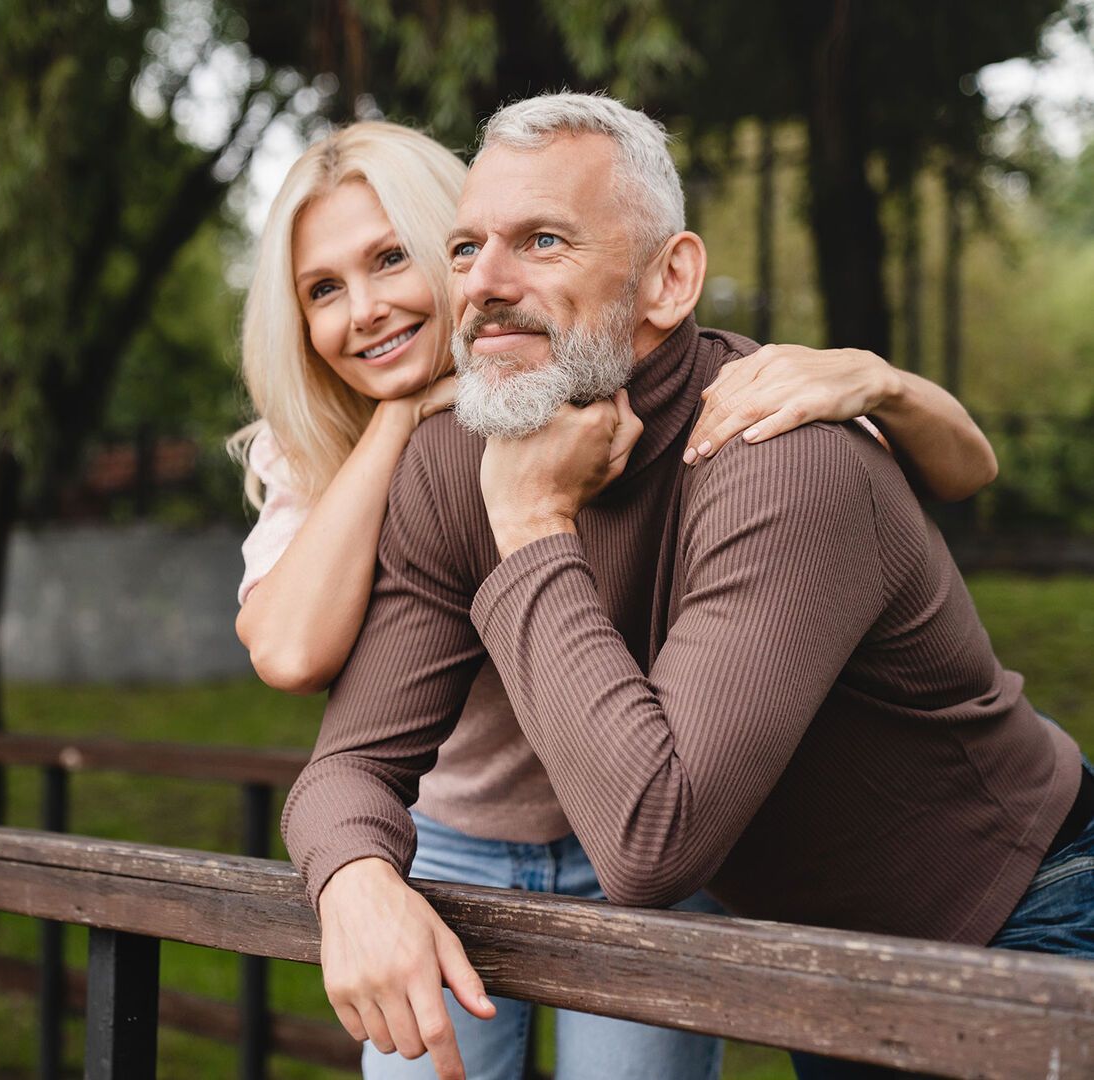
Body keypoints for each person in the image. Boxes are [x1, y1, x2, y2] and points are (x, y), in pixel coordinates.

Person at [281, 92, 1094, 1080]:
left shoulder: (780, 462)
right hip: (824, 961)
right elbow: (346, 764)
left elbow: (650, 843)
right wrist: (354, 879)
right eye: (462, 249)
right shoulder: (455, 462)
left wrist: (532, 526)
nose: (484, 285)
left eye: (540, 241)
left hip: (1023, 918)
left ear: (668, 280)